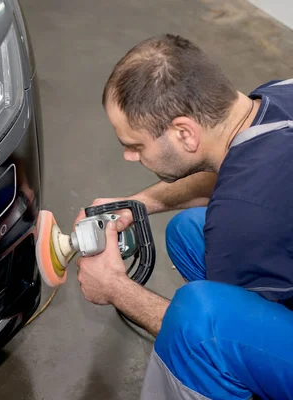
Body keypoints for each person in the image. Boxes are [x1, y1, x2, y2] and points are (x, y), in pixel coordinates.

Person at [74, 34, 293, 399]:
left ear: (184, 133)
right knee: (187, 231)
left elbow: (206, 334)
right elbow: (228, 169)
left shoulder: (244, 217)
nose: (129, 156)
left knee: (199, 324)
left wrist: (116, 287)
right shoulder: (275, 97)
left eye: (135, 145)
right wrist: (138, 203)